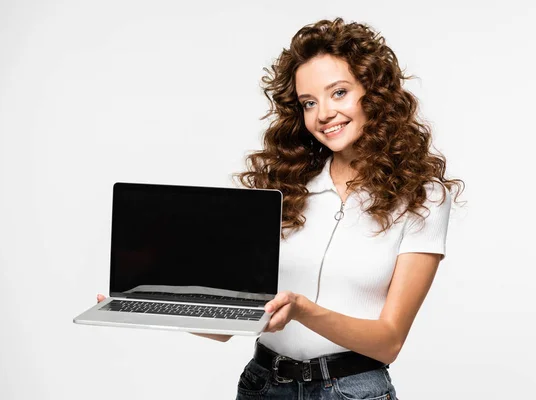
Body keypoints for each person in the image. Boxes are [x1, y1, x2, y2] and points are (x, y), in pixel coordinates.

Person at [98, 17, 464, 400]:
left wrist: (304, 311)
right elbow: (228, 325)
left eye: (338, 93)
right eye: (309, 102)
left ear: (374, 94)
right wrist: (151, 304)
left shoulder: (423, 198)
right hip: (264, 385)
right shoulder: (284, 188)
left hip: (353, 390)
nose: (323, 114)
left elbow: (388, 342)